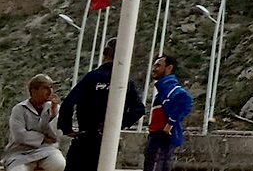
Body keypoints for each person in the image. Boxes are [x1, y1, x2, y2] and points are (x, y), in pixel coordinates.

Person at [57, 38, 145, 171]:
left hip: (86, 139)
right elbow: (139, 109)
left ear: (105, 52)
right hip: (110, 141)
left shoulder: (92, 77)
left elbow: (68, 103)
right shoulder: (125, 82)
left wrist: (67, 128)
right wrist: (117, 124)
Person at [3, 74, 65, 171]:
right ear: (34, 91)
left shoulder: (55, 108)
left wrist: (53, 113)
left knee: (60, 164)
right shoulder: (19, 109)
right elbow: (20, 135)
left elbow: (57, 136)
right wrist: (43, 138)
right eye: (45, 88)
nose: (50, 91)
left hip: (47, 150)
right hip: (21, 153)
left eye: (51, 87)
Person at [143, 56, 193, 171]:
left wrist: (170, 123)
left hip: (162, 136)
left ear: (169, 68)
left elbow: (186, 100)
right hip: (157, 135)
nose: (154, 69)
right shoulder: (163, 89)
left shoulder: (170, 88)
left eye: (158, 65)